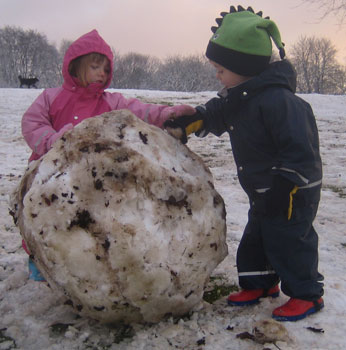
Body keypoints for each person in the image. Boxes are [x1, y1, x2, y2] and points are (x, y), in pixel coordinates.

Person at [164, 5, 324, 322]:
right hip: (263, 189)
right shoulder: (240, 97)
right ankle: (260, 285)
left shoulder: (282, 102)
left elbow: (301, 151)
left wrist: (285, 186)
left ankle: (308, 294)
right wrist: (190, 123)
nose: (217, 75)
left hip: (291, 189)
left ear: (246, 67)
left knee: (290, 241)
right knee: (256, 237)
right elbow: (215, 113)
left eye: (221, 69)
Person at [21, 29, 195, 281]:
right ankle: (40, 259)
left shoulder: (111, 102)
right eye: (95, 67)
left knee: (91, 219)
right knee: (45, 216)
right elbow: (32, 123)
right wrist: (52, 141)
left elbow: (141, 111)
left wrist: (169, 113)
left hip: (93, 177)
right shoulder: (51, 98)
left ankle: (91, 263)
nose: (101, 73)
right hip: (49, 174)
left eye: (105, 69)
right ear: (77, 66)